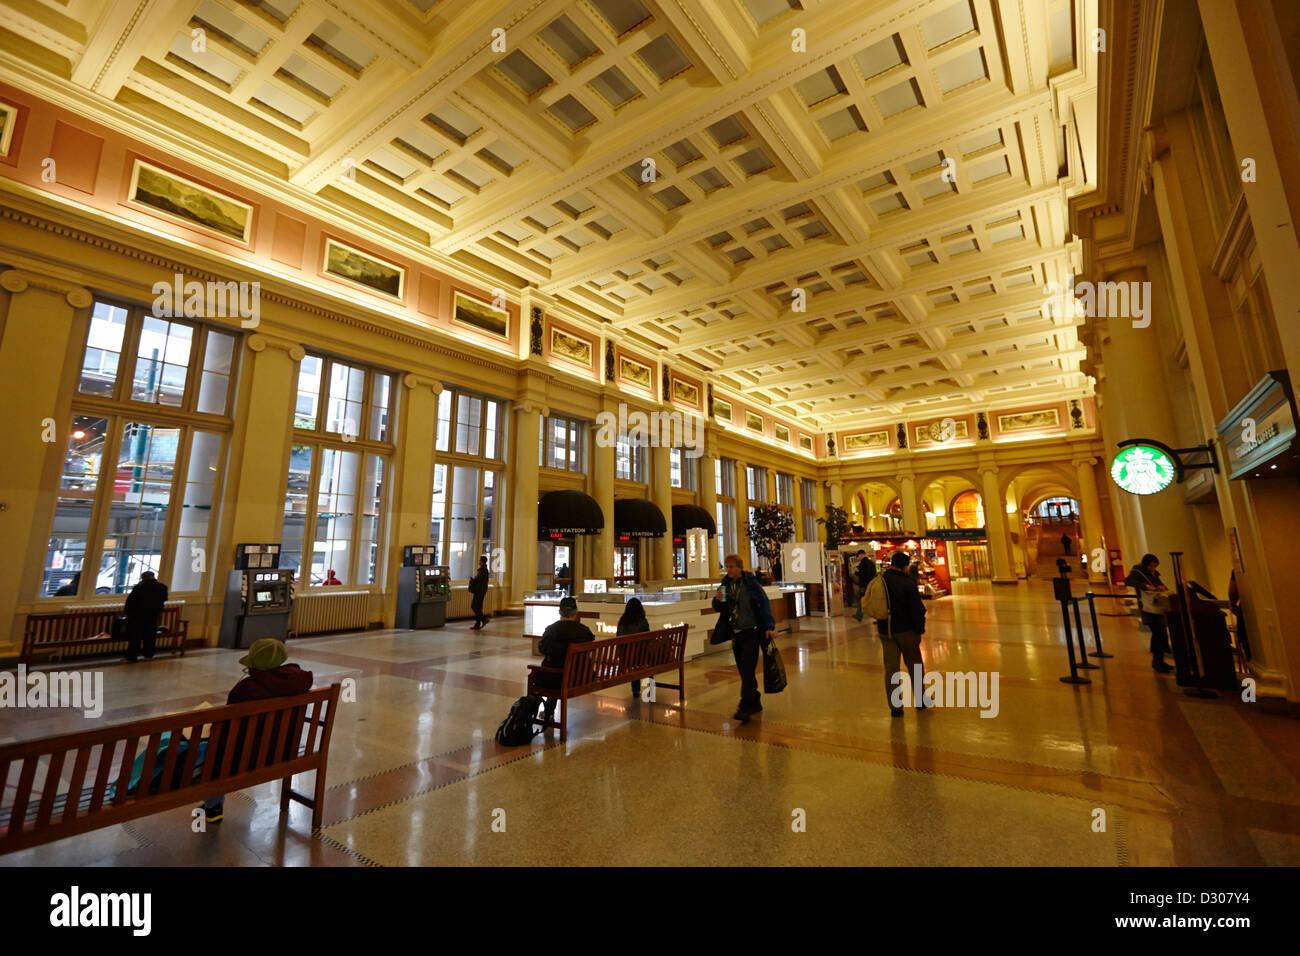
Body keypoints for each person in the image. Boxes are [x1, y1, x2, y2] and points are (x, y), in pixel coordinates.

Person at [201, 639, 314, 824]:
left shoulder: (246, 689)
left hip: (247, 755)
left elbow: (229, 726)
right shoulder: (300, 681)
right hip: (284, 750)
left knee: (214, 752)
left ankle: (213, 807)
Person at [711, 554, 775, 724]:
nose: (729, 570)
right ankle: (755, 700)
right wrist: (717, 600)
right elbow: (718, 606)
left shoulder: (750, 583)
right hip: (736, 633)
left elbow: (763, 602)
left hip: (752, 631)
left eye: (732, 566)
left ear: (739, 567)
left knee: (747, 669)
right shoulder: (725, 585)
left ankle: (744, 707)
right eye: (727, 566)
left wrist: (769, 625)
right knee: (743, 670)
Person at [874, 550, 928, 717]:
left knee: (891, 668)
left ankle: (895, 707)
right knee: (915, 665)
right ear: (905, 566)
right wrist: (919, 629)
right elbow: (917, 610)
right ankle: (920, 700)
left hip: (886, 630)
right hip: (906, 631)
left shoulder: (880, 580)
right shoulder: (908, 583)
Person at [536, 597, 594, 724]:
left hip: (557, 678)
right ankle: (548, 711)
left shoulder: (552, 630)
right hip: (581, 676)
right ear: (575, 612)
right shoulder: (585, 631)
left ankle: (546, 712)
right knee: (561, 671)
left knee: (552, 672)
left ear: (559, 612)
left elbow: (542, 648)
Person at [1126, 553, 1172, 672]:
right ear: (1145, 565)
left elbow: (1159, 584)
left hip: (1157, 607)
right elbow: (1129, 581)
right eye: (1151, 566)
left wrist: (1162, 587)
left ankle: (1160, 661)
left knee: (1161, 633)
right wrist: (1144, 586)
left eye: (1155, 566)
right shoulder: (1137, 572)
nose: (1153, 569)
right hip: (1149, 608)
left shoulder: (1154, 573)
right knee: (1158, 634)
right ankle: (1157, 662)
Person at [124, 570, 168, 662]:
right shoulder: (162, 587)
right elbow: (164, 599)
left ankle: (132, 657)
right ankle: (148, 654)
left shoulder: (139, 587)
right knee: (150, 635)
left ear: (143, 578)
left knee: (136, 636)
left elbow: (130, 603)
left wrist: (128, 614)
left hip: (138, 616)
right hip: (153, 615)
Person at [617, 597, 650, 696]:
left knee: (633, 657)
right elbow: (648, 638)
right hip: (642, 657)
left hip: (626, 658)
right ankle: (648, 691)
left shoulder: (622, 622)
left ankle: (636, 690)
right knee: (638, 655)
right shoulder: (643, 621)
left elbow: (618, 638)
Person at [853, 551, 876, 622]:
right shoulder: (871, 562)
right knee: (871, 599)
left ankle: (859, 615)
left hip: (865, 584)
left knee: (863, 599)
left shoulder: (863, 563)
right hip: (872, 583)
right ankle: (859, 615)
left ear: (861, 555)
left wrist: (856, 572)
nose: (858, 558)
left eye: (858, 556)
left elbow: (863, 575)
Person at [468, 556, 490, 629]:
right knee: (478, 607)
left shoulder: (482, 570)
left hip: (479, 591)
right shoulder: (484, 570)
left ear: (482, 561)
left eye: (479, 560)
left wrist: (472, 581)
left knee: (474, 606)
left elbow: (479, 581)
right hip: (481, 591)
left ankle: (483, 619)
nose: (478, 561)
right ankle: (477, 623)